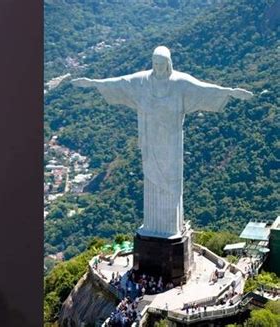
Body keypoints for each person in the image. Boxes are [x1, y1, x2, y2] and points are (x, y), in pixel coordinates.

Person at [72, 46, 253, 238]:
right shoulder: (142, 81)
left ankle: (170, 228)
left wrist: (229, 92)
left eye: (162, 64)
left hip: (171, 142)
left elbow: (203, 89)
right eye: (155, 64)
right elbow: (120, 83)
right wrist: (93, 83)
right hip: (151, 140)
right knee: (151, 180)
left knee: (171, 181)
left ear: (168, 63)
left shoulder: (180, 83)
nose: (158, 68)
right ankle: (152, 226)